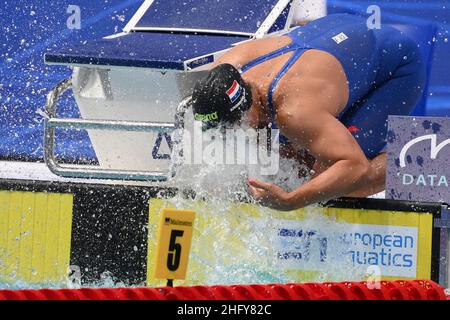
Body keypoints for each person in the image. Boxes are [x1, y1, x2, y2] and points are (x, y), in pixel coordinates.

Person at [191, 13, 426, 211]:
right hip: (340, 39)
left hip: (394, 68)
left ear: (247, 105)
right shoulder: (226, 69)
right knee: (293, 163)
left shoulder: (294, 112)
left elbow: (354, 166)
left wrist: (291, 201)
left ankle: (421, 156)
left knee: (336, 188)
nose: (232, 131)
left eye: (234, 124)